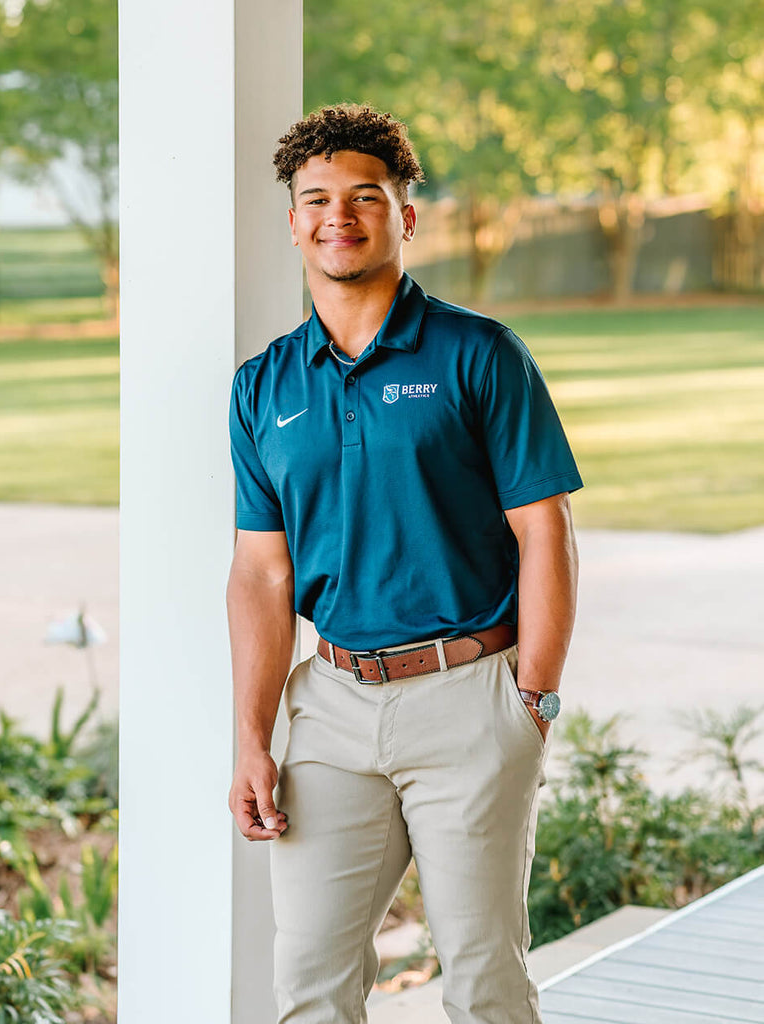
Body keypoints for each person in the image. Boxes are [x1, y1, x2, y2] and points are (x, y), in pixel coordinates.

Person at [227, 103, 582, 1024]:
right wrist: (253, 739)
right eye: (315, 199)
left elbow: (546, 530)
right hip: (333, 707)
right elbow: (262, 574)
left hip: (469, 700)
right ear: (293, 221)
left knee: (481, 983)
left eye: (364, 196)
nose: (337, 215)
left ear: (404, 216)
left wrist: (532, 698)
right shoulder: (263, 386)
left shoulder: (481, 355)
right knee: (309, 985)